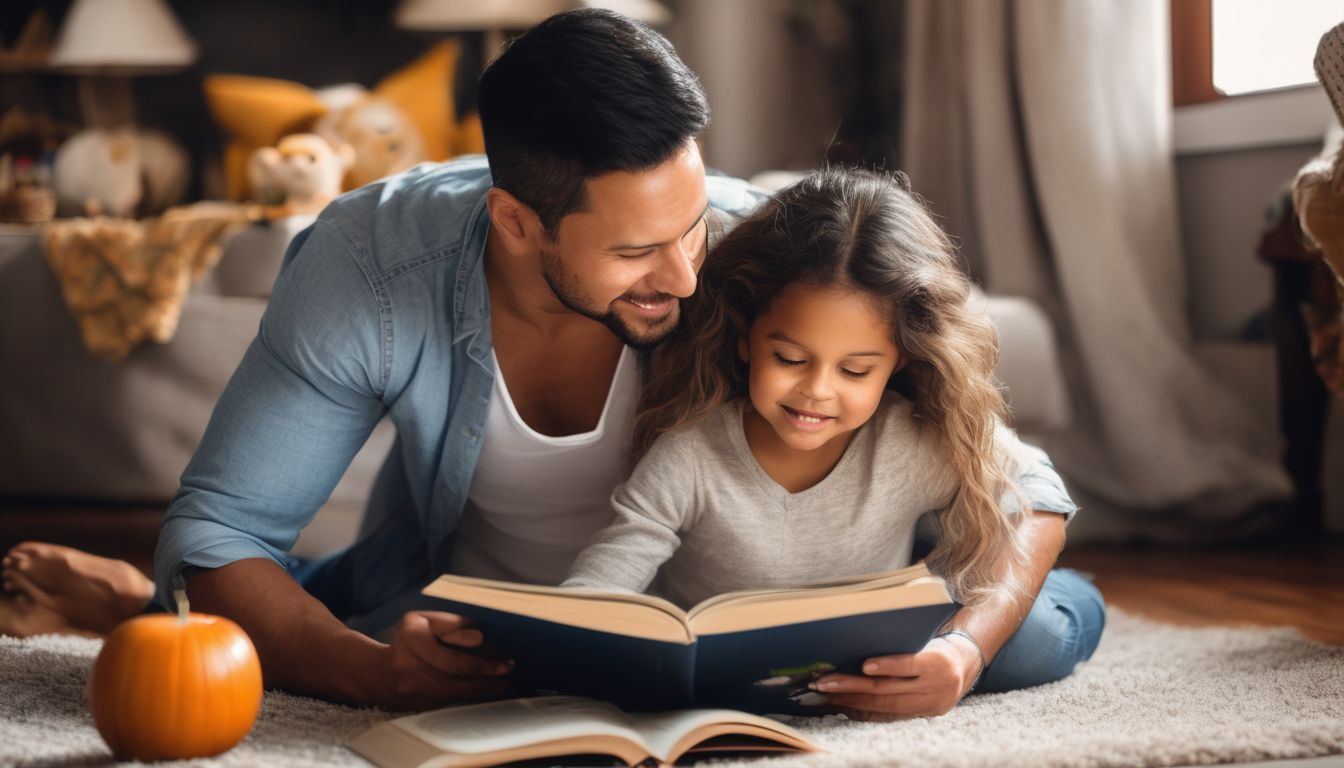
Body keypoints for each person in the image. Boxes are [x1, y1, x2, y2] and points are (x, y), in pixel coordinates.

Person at [2, 9, 760, 710]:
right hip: (447, 614)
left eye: (691, 227)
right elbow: (218, 535)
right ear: (517, 223)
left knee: (263, 601)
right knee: (269, 599)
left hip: (688, 630)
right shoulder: (369, 264)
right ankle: (150, 611)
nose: (686, 277)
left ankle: (136, 608)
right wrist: (373, 671)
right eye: (635, 252)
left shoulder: (767, 257)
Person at [563, 167, 1105, 720]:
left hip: (881, 637)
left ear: (899, 360)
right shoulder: (691, 455)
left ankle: (1072, 591)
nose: (816, 392)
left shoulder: (910, 438)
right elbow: (604, 578)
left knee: (1031, 640)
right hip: (741, 665)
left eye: (855, 370)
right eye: (790, 359)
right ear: (746, 337)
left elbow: (1040, 495)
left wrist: (964, 648)